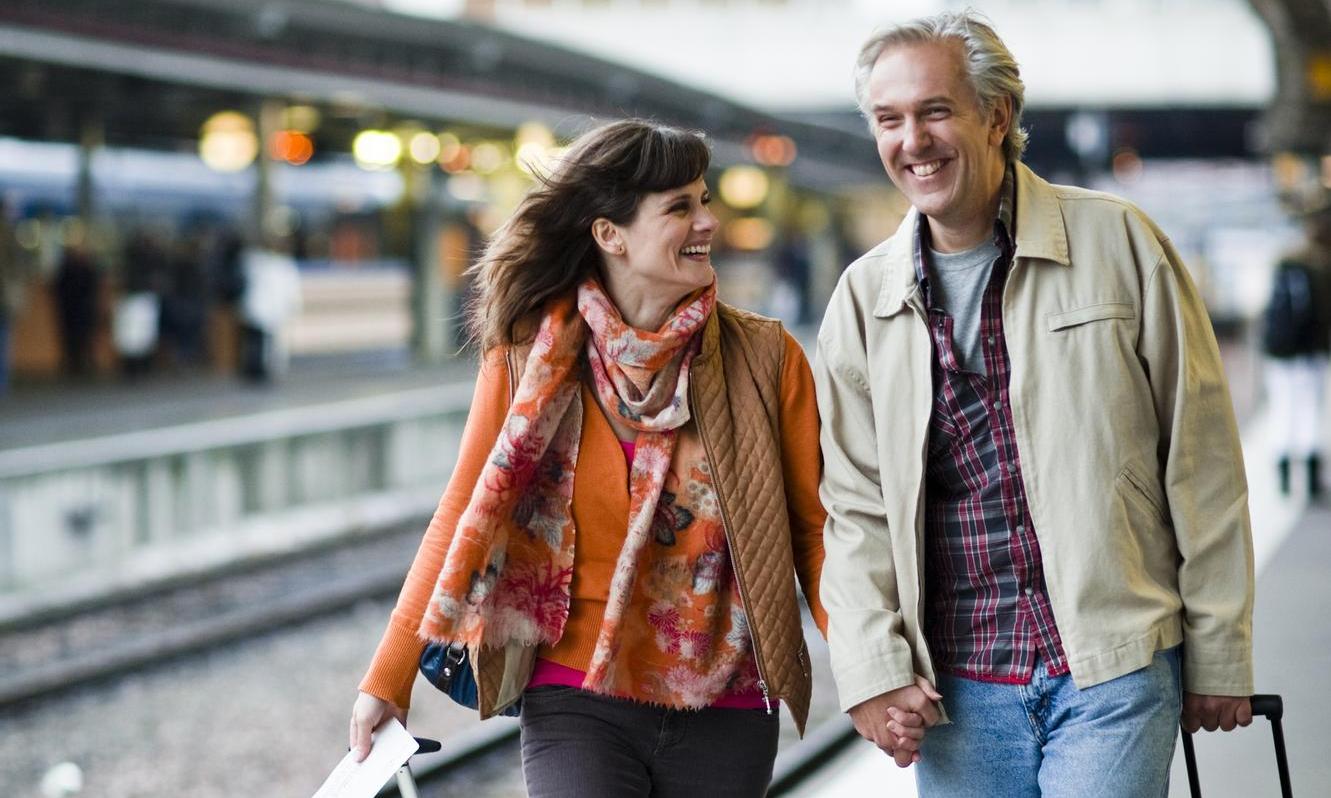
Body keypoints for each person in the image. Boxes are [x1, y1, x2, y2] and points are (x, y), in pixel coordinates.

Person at [813, 12, 1255, 796]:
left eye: (934, 111)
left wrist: (1218, 651)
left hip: (1112, 662)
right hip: (958, 686)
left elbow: (1200, 459)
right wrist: (873, 669)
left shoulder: (1118, 243)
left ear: (996, 115)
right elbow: (856, 510)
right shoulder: (863, 299)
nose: (912, 140)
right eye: (889, 120)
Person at [348, 119, 827, 797]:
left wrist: (875, 676)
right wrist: (386, 681)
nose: (707, 222)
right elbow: (461, 512)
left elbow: (812, 535)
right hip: (574, 695)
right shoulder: (526, 360)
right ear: (610, 234)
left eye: (704, 199)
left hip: (728, 702)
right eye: (679, 207)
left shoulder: (767, 361)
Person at [1261, 200, 1331, 499]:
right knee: (1310, 411)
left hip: (1280, 351)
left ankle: (1286, 481)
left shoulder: (1284, 260)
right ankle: (1312, 481)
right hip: (1312, 351)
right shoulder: (1323, 264)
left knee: (1282, 409)